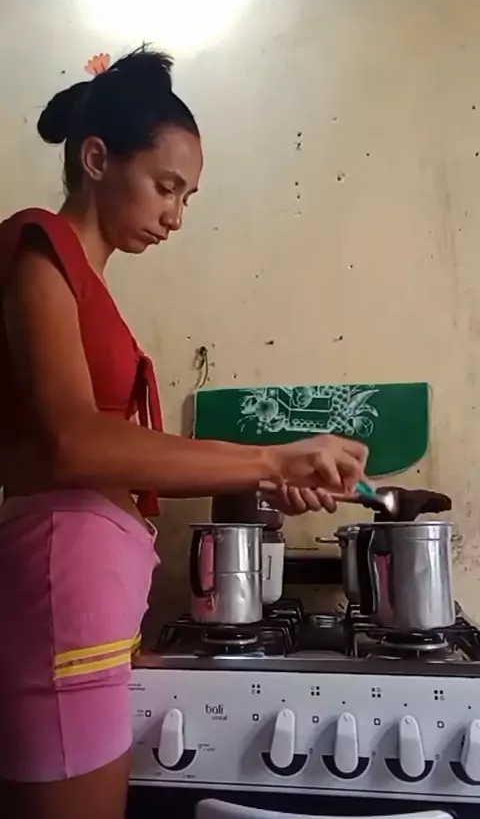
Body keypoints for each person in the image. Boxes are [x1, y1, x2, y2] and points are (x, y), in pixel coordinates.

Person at [0, 47, 368, 819]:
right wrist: (271, 459)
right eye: (166, 187)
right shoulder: (40, 246)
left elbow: (133, 461)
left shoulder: (92, 292)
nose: (176, 215)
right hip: (62, 587)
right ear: (96, 159)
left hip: (87, 596)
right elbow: (76, 443)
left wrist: (270, 469)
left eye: (188, 197)